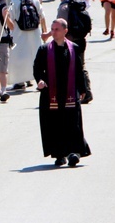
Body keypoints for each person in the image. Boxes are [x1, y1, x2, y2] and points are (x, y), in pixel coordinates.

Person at [33, 19, 91, 167]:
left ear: (65, 31)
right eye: (52, 29)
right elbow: (37, 68)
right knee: (54, 124)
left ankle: (74, 153)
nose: (53, 32)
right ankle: (59, 154)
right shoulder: (44, 49)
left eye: (57, 29)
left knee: (73, 123)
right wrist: (39, 80)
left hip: (70, 91)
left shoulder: (74, 48)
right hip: (50, 93)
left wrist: (83, 88)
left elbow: (79, 69)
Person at [9, 0, 46, 89]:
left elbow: (11, 18)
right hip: (34, 32)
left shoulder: (13, 0)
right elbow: (42, 16)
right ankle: (31, 78)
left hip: (19, 33)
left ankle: (21, 81)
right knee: (34, 56)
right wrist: (44, 31)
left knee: (20, 57)